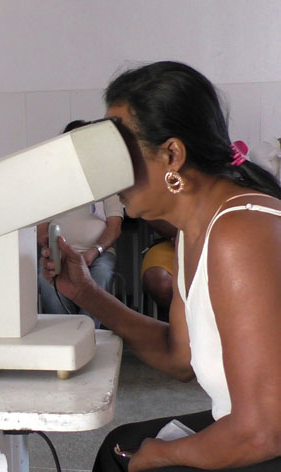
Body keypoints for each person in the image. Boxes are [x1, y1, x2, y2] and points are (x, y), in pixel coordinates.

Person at [41, 61, 281, 471]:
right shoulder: (194, 229)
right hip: (254, 428)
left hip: (264, 436)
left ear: (172, 154)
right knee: (117, 447)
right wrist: (85, 293)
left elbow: (263, 431)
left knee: (129, 459)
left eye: (118, 154)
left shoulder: (241, 230)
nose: (108, 177)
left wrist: (166, 452)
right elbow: (179, 357)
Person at [37, 120, 124, 328]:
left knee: (101, 275)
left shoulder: (107, 180)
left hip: (98, 254)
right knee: (46, 279)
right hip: (59, 253)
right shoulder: (51, 182)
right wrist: (54, 251)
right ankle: (63, 333)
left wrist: (93, 252)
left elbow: (115, 227)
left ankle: (87, 333)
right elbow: (41, 229)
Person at [140, 218, 177, 322]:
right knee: (158, 279)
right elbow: (149, 213)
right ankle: (172, 325)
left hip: (215, 241)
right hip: (171, 242)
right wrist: (183, 233)